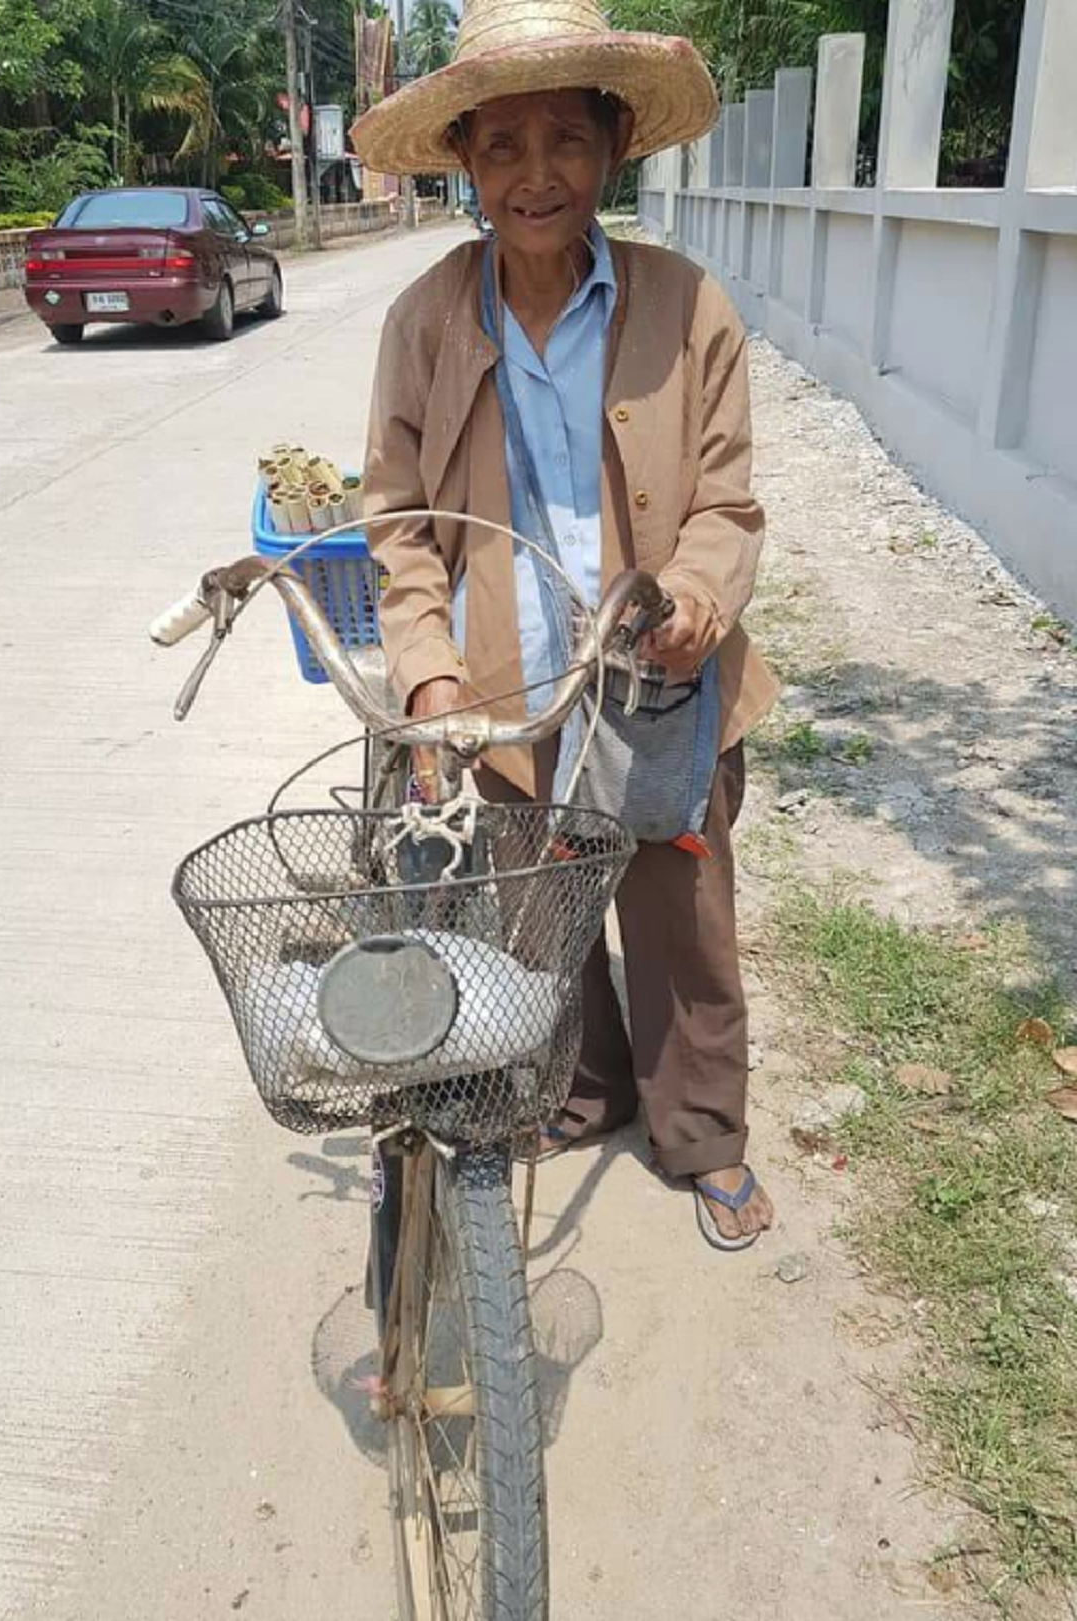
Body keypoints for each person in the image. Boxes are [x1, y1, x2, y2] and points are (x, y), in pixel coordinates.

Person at [352, 0, 779, 1249]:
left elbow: (727, 498)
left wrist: (698, 597)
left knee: (680, 917)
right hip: (511, 692)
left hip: (655, 684)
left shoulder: (684, 305)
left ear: (611, 148)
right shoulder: (426, 320)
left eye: (565, 141)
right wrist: (428, 673)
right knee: (543, 924)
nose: (536, 176)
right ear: (469, 162)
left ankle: (700, 1131)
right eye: (503, 147)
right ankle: (585, 1095)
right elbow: (399, 521)